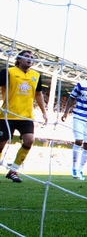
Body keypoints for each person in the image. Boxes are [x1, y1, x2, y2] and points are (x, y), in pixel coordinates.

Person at [0, 50, 48, 183]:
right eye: (27, 56)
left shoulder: (36, 75)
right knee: (1, 145)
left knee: (29, 140)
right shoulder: (8, 72)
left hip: (26, 116)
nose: (30, 59)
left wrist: (44, 111)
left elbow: (38, 94)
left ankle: (14, 170)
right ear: (19, 59)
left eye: (32, 57)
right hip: (7, 115)